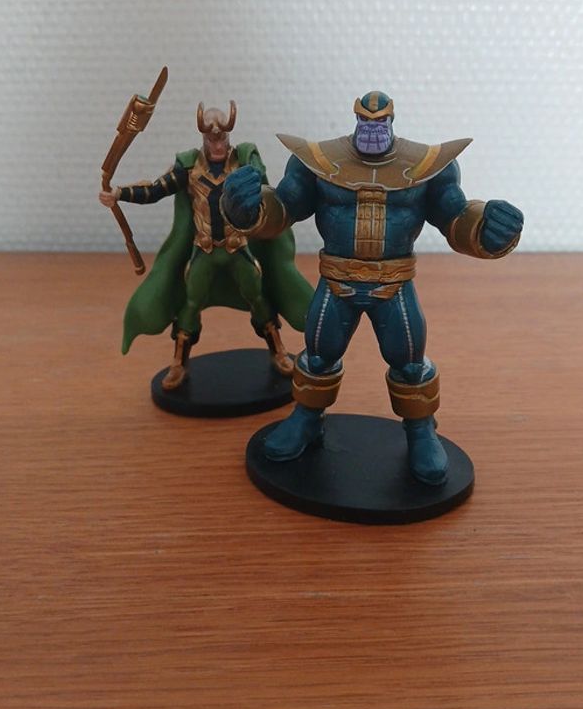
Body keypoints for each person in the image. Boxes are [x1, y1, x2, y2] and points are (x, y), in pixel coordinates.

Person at [221, 90, 523, 484]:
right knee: (319, 354)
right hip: (338, 281)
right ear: (356, 120)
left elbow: (454, 215)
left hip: (393, 284)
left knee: (409, 360)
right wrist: (247, 208)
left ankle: (420, 430)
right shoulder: (320, 162)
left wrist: (486, 227)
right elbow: (284, 206)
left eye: (379, 123)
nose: (372, 129)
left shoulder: (426, 166)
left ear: (391, 122)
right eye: (365, 121)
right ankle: (307, 418)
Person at [99, 101, 312, 388]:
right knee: (191, 303)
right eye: (212, 139)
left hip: (238, 249)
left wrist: (255, 172)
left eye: (222, 138)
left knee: (258, 297)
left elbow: (261, 184)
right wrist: (119, 193)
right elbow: (155, 189)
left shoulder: (243, 161)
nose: (218, 144)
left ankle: (278, 351)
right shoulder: (189, 167)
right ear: (203, 138)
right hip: (205, 250)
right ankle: (179, 362)